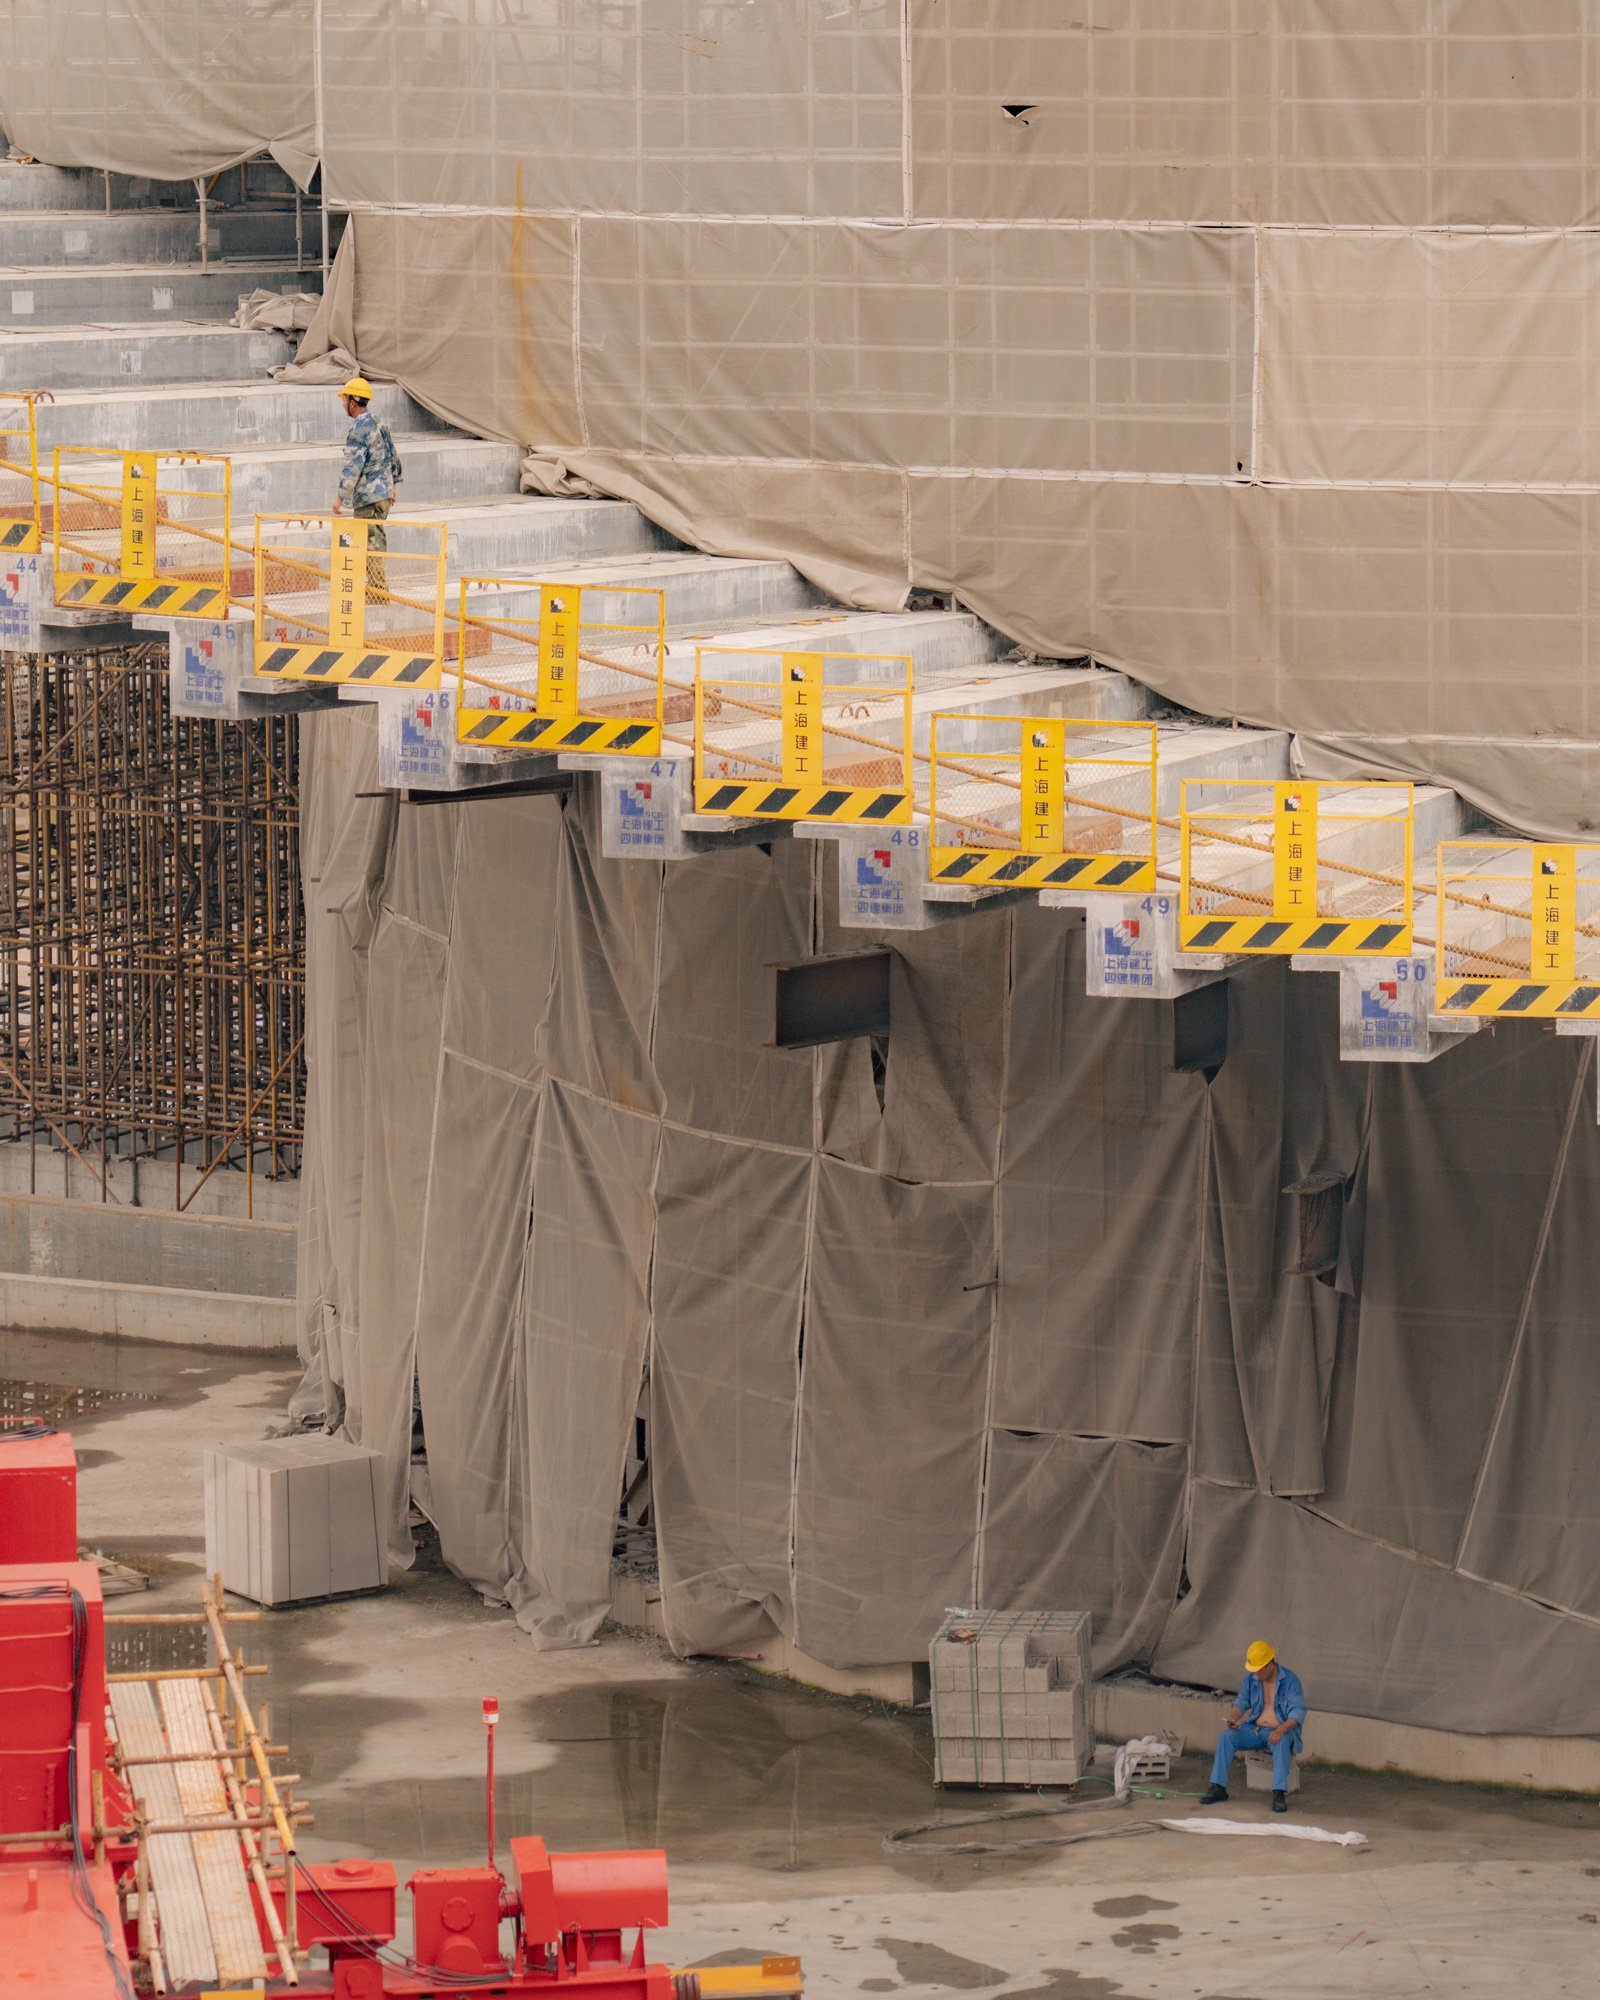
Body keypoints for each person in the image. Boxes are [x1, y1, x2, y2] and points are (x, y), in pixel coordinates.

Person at [1199, 1640, 1305, 1814]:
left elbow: (1298, 1712)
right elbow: (1241, 1701)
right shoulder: (1251, 1679)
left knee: (1281, 1741)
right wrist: (1233, 1717)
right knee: (1227, 1736)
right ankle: (1218, 1787)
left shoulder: (1290, 1680)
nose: (1255, 1673)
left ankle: (1279, 1793)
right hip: (1255, 1729)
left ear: (1270, 1665)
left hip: (1280, 1730)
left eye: (1259, 1669)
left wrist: (1280, 1730)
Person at [333, 375, 403, 598]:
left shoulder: (358, 429)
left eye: (345, 400)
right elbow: (393, 454)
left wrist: (340, 497)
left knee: (369, 544)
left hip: (368, 498)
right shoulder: (378, 421)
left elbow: (353, 465)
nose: (344, 404)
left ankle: (377, 593)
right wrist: (394, 484)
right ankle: (376, 590)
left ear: (353, 402)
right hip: (383, 495)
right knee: (375, 540)